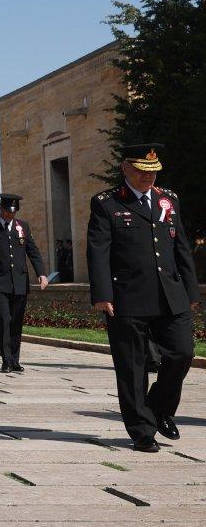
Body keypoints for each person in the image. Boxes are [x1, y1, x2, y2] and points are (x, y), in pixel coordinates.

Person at [87, 144, 199, 453]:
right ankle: (142, 430)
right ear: (125, 168)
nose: (147, 176)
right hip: (127, 296)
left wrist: (190, 291)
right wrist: (102, 294)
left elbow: (181, 248)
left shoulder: (168, 200)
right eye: (140, 171)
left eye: (152, 171)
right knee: (132, 366)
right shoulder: (106, 203)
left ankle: (159, 407)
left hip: (170, 294)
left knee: (182, 353)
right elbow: (98, 251)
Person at [0, 193, 47, 373]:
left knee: (16, 323)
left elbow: (33, 251)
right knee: (4, 320)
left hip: (20, 282)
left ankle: (14, 359)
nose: (10, 215)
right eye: (7, 211)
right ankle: (6, 360)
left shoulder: (23, 227)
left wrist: (41, 273)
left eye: (13, 212)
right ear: (0, 208)